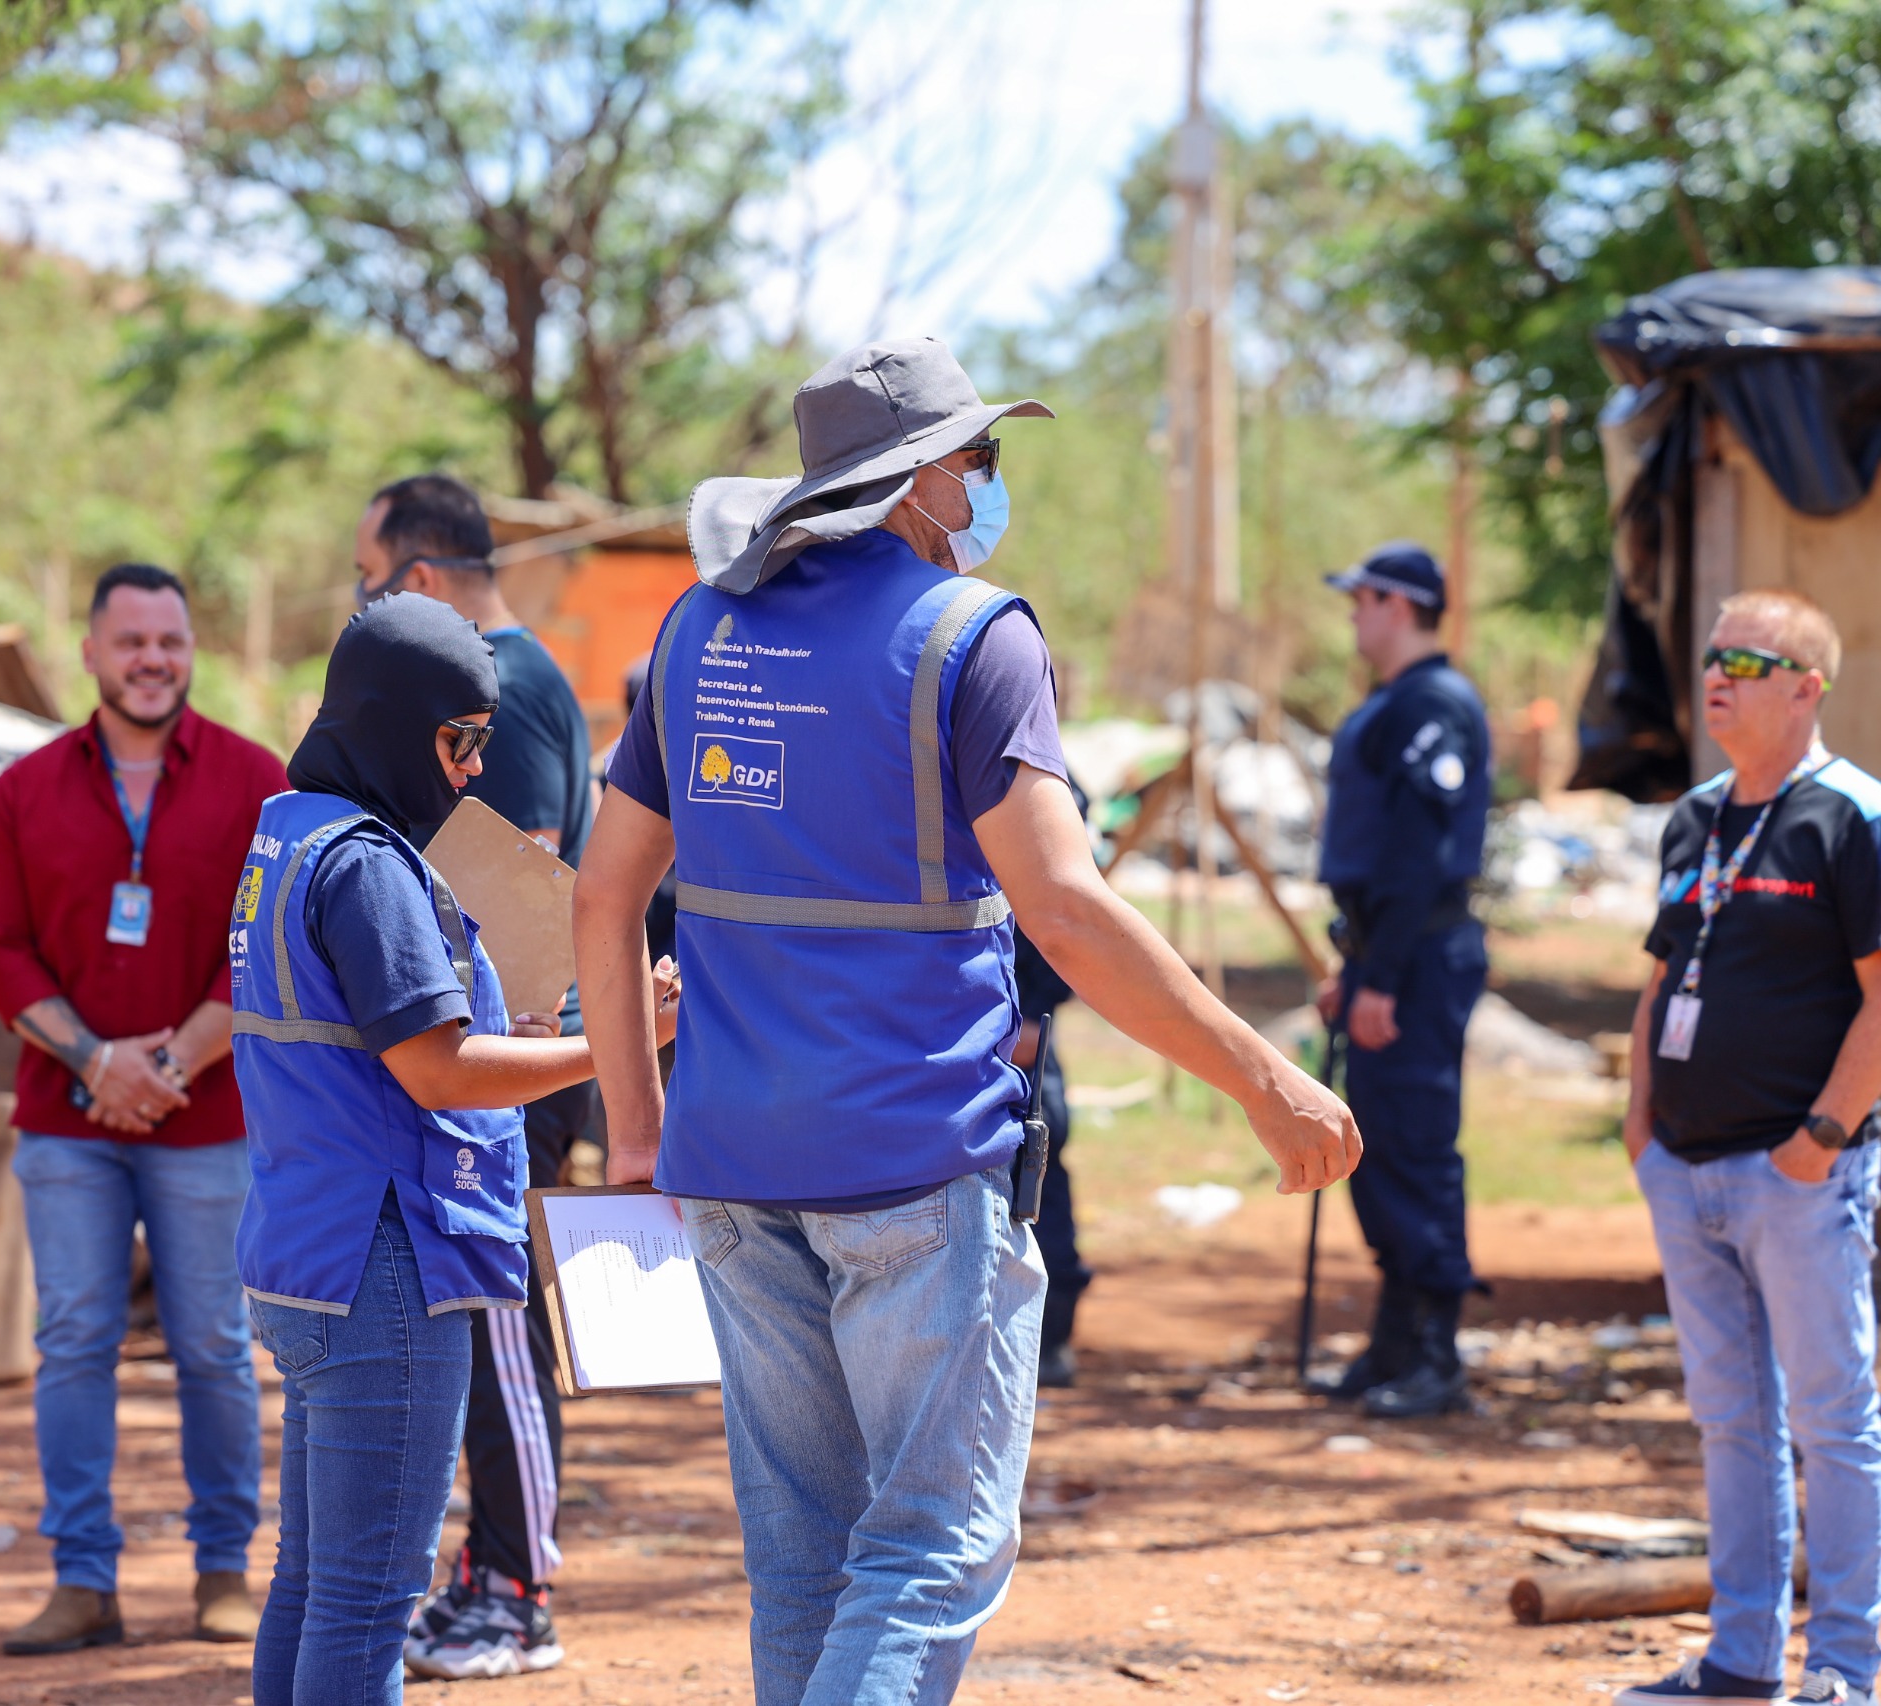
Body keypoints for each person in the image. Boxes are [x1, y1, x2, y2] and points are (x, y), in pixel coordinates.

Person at [572, 335, 1359, 1705]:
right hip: (912, 1161)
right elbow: (1065, 905)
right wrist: (1260, 1074)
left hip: (733, 1167)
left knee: (807, 1555)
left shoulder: (698, 628)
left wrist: (637, 1129)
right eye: (982, 461)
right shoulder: (972, 638)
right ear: (925, 479)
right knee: (932, 1542)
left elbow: (604, 893)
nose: (992, 487)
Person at [227, 594, 676, 1706]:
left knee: (317, 1576)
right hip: (387, 1259)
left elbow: (389, 1041)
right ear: (395, 722)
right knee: (372, 1595)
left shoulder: (288, 831)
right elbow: (437, 1071)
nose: (473, 770)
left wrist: (515, 1032)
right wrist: (616, 1038)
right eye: (460, 739)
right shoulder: (370, 864)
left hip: (308, 1246)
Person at [0, 563, 284, 1655]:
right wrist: (100, 1060)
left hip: (211, 1121)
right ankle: (82, 1579)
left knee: (212, 1343)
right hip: (66, 1118)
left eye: (170, 639)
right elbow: (0, 952)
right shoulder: (23, 790)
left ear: (191, 650)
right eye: (131, 640)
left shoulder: (258, 780)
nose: (152, 658)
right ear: (91, 655)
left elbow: (271, 946)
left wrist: (177, 1062)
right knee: (71, 1340)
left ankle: (223, 1570)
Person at [1614, 590, 1881, 1706]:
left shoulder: (1848, 815)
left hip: (1795, 1173)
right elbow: (1660, 971)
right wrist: (1640, 1122)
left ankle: (1845, 1665)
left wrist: (1821, 1137)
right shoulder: (1697, 815)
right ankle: (1737, 1659)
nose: (1714, 673)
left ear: (1807, 686)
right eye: (1709, 655)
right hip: (1684, 1166)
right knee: (1730, 1420)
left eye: (1745, 658)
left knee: (1832, 1418)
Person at [351, 474, 590, 1679]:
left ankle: (517, 1583)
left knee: (500, 1331)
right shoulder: (501, 676)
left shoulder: (509, 686)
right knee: (473, 1318)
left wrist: (508, 1068)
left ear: (422, 580)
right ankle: (484, 1570)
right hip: (486, 1062)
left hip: (510, 1066)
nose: (362, 601)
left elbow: (524, 894)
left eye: (369, 577)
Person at [1310, 543, 1493, 1420]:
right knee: (1377, 1145)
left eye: (1363, 598)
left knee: (1413, 1145)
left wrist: (1380, 974)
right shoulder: (1397, 701)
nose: (1354, 614)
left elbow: (1420, 853)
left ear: (1400, 604)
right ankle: (1394, 1338)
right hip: (1387, 954)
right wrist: (1356, 966)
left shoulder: (1434, 704)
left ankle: (1435, 1350)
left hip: (1417, 958)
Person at [1013, 770, 1094, 1390]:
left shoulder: (1051, 783)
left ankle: (1053, 1333)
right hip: (939, 1023)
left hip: (1019, 1024)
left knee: (1039, 1157)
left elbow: (1063, 908)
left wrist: (1036, 1010)